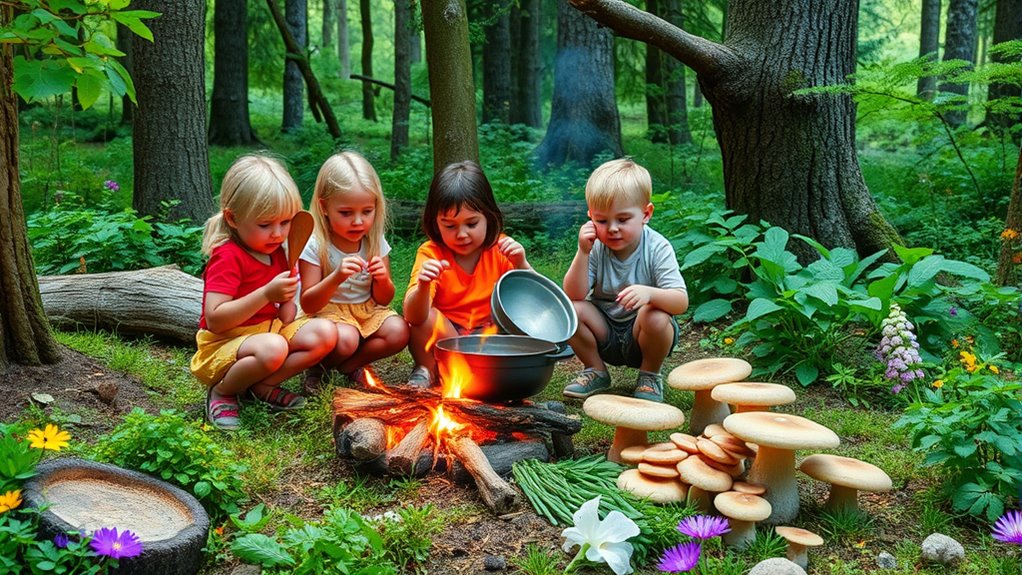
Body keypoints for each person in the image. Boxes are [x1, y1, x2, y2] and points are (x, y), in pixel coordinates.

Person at [190, 155, 338, 430]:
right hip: (224, 344)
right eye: (265, 224)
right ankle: (223, 391)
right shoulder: (228, 257)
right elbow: (215, 320)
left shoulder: (279, 253)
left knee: (326, 333)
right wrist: (266, 294)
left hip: (268, 334)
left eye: (285, 222)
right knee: (274, 347)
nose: (278, 234)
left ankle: (261, 386)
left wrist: (287, 298)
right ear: (233, 219)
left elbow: (287, 316)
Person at [561, 158, 688, 403]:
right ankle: (595, 370)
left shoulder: (657, 247)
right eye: (602, 221)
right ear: (590, 217)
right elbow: (574, 295)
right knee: (570, 310)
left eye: (622, 219)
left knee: (656, 314)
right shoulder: (595, 247)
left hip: (643, 336)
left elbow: (680, 301)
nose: (612, 229)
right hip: (605, 331)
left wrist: (650, 294)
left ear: (646, 214)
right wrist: (583, 252)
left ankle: (650, 376)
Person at [403, 161, 531, 387]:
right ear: (436, 222)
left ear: (488, 217)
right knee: (426, 318)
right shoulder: (431, 253)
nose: (461, 234)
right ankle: (427, 369)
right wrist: (423, 285)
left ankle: (471, 374)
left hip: (487, 337)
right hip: (446, 337)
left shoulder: (501, 249)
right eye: (450, 226)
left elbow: (532, 301)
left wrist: (521, 263)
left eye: (471, 224)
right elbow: (413, 316)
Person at [298, 151, 409, 392]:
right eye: (346, 213)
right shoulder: (316, 243)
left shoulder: (374, 241)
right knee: (347, 339)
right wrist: (336, 277)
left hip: (366, 311)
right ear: (324, 207)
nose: (358, 221)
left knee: (399, 331)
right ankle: (318, 367)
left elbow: (384, 298)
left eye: (366, 211)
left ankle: (350, 366)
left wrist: (382, 279)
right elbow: (308, 303)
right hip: (328, 315)